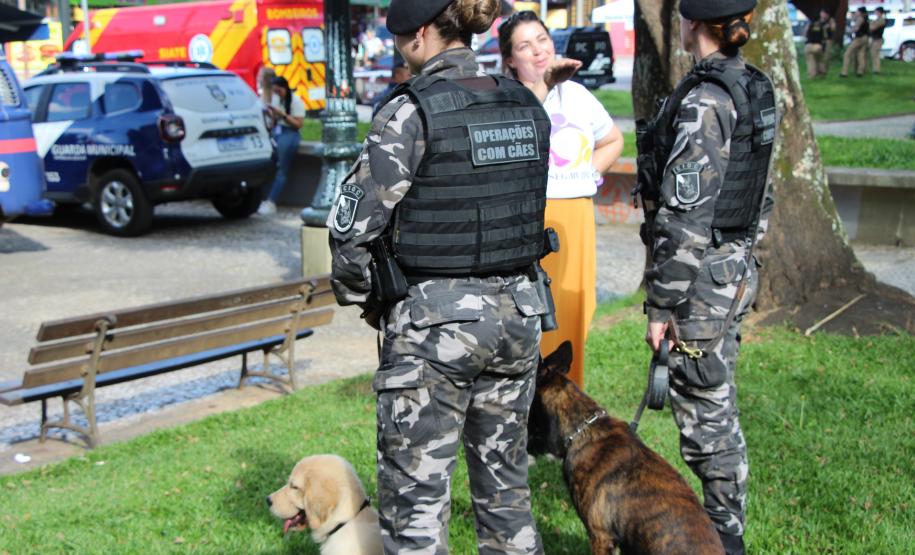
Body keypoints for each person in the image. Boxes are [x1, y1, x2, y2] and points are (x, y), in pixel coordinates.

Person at [326, 0, 550, 553]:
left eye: (403, 40)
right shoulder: (524, 103)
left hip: (434, 329)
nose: (403, 50)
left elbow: (351, 231)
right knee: (506, 496)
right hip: (520, 319)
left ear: (421, 34)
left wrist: (366, 300)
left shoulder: (410, 112)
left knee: (415, 506)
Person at [635, 0, 777, 553]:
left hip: (701, 283)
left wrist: (662, 305)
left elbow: (685, 215)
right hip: (733, 268)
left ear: (690, 22)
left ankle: (725, 538)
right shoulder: (754, 85)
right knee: (717, 398)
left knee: (705, 414)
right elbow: (758, 189)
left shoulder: (707, 99)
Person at [498, 10, 624, 389]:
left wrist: (588, 174)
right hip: (533, 220)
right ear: (510, 59)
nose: (538, 50)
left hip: (577, 218)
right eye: (525, 45)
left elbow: (613, 139)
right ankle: (529, 412)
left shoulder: (578, 95)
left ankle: (566, 404)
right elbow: (516, 137)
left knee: (574, 317)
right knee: (536, 320)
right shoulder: (508, 99)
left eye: (542, 39)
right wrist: (545, 87)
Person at [258, 76, 305, 215]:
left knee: (281, 168)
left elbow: (298, 124)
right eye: (274, 92)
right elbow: (273, 123)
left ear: (284, 88)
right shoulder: (276, 100)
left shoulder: (296, 101)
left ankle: (271, 201)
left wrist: (282, 115)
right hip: (277, 132)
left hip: (289, 133)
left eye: (278, 91)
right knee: (269, 166)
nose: (277, 94)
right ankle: (265, 198)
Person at [371, 51, 411, 117]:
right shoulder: (392, 97)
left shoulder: (386, 95)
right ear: (398, 76)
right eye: (408, 75)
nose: (411, 78)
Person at [841, 6, 870, 77]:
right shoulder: (866, 19)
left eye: (857, 11)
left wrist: (848, 31)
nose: (856, 12)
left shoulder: (860, 18)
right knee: (861, 54)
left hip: (859, 38)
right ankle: (860, 71)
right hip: (865, 38)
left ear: (860, 12)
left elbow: (856, 28)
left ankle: (844, 72)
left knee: (847, 54)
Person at [804, 10, 829, 78]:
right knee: (820, 60)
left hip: (808, 45)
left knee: (810, 60)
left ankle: (811, 74)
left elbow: (805, 34)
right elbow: (825, 36)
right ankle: (822, 73)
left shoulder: (810, 25)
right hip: (818, 46)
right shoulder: (822, 26)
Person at [869, 6, 887, 75]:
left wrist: (871, 24)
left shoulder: (881, 20)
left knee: (875, 55)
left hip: (878, 39)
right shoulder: (878, 20)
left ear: (879, 12)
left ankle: (877, 70)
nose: (875, 13)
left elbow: (873, 28)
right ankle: (875, 69)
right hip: (875, 39)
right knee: (874, 55)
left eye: (876, 12)